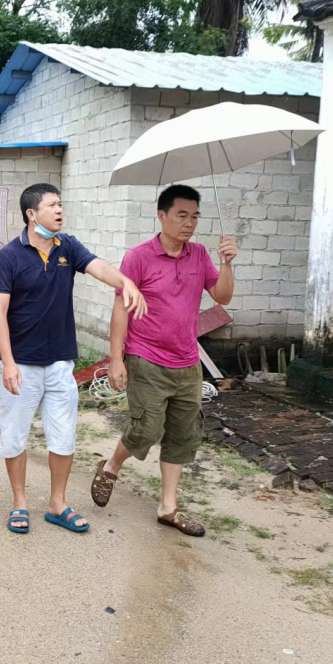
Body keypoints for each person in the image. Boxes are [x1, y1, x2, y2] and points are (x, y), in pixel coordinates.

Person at [0, 184, 146, 535]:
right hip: (21, 363)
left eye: (61, 204)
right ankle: (19, 503)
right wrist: (8, 362)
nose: (60, 210)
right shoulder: (10, 256)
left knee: (63, 437)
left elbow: (99, 268)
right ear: (32, 214)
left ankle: (57, 504)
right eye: (52, 205)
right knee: (14, 436)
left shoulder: (68, 246)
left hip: (61, 362)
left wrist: (126, 283)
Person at [90, 184, 237, 537]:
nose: (190, 223)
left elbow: (223, 296)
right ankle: (112, 466)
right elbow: (121, 309)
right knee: (147, 428)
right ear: (161, 215)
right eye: (182, 215)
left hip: (187, 361)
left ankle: (168, 507)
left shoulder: (199, 255)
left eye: (195, 216)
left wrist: (226, 264)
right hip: (146, 357)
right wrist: (116, 359)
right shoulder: (139, 257)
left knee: (184, 434)